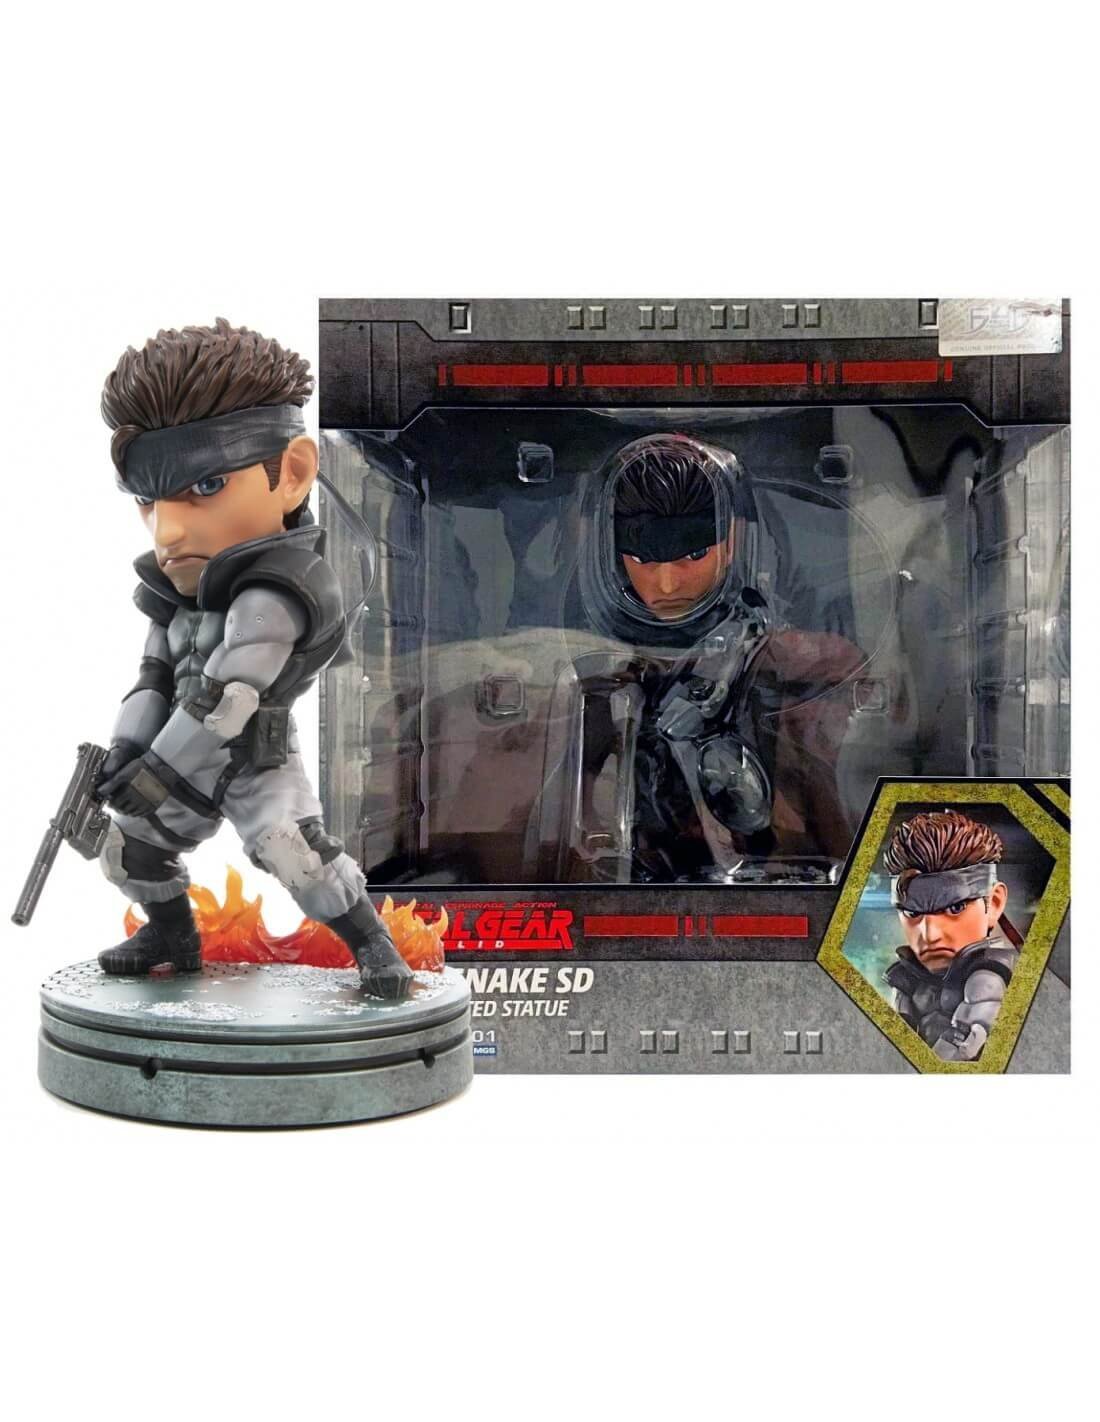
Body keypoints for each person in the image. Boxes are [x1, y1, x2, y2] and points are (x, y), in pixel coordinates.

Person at [93, 318, 412, 999]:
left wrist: (153, 773)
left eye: (206, 487)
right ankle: (172, 935)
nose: (168, 530)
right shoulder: (178, 592)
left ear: (291, 474)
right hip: (177, 757)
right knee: (129, 850)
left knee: (295, 854)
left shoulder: (276, 590)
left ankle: (374, 945)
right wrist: (124, 750)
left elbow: (229, 698)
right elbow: (153, 677)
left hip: (254, 756)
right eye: (149, 500)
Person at [883, 809, 1017, 1061]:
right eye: (912, 913)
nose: (930, 934)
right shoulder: (908, 979)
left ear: (994, 904)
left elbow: (960, 1053)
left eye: (955, 908)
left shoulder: (987, 980)